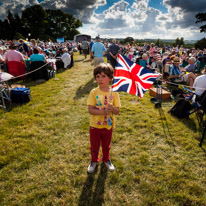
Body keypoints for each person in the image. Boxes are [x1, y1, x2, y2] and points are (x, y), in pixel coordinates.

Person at [87, 63, 121, 173]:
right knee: (94, 145)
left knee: (106, 145)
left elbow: (117, 111)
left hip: (108, 125)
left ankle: (106, 159)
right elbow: (90, 110)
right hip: (95, 125)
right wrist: (103, 111)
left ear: (110, 78)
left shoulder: (114, 93)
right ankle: (94, 161)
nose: (100, 79)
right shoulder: (94, 92)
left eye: (103, 76)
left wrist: (112, 109)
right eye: (98, 76)